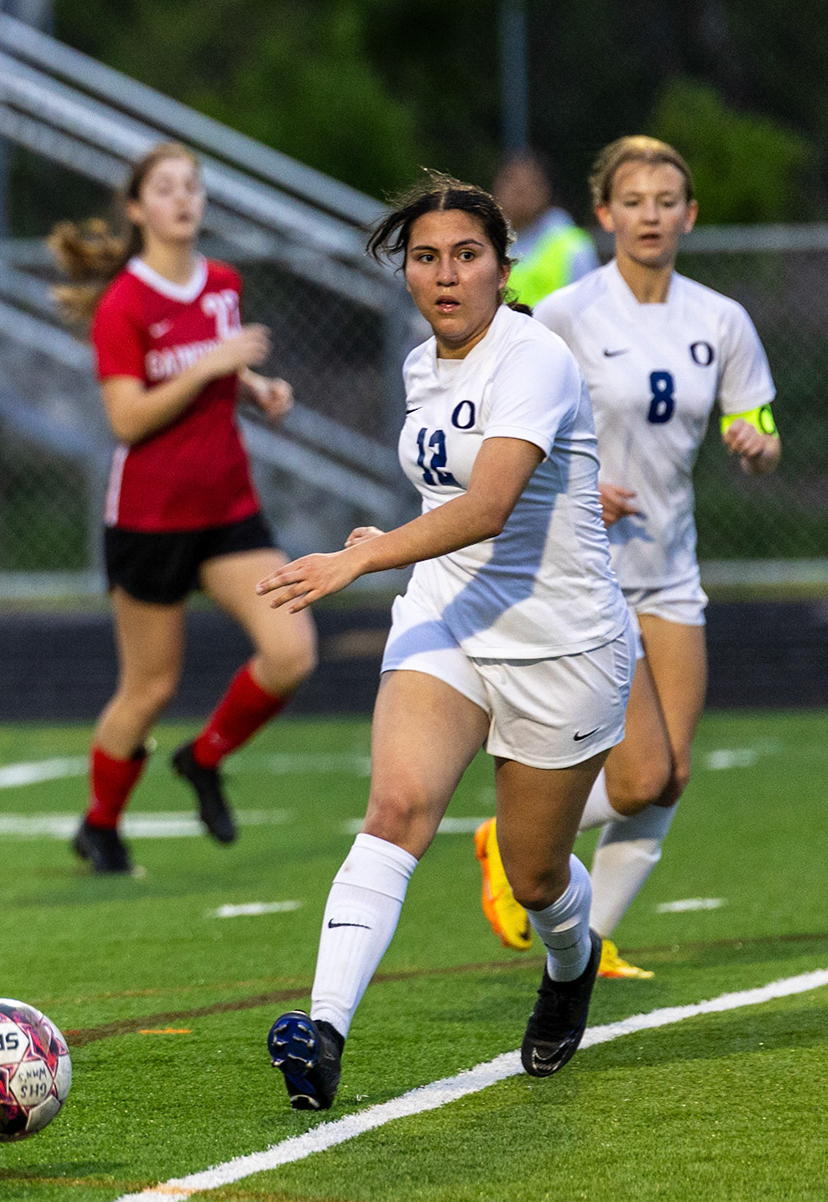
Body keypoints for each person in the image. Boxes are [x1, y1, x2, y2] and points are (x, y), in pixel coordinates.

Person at [257, 172, 636, 1110]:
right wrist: (388, 545)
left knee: (534, 873)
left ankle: (570, 964)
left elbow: (492, 503)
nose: (445, 273)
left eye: (467, 254)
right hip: (448, 619)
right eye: (425, 258)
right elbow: (446, 499)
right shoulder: (421, 366)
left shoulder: (535, 358)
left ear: (503, 268)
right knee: (396, 809)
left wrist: (364, 555)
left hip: (563, 646)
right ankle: (323, 1033)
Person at [473, 136, 780, 980]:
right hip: (584, 570)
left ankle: (586, 946)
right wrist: (577, 482)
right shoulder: (566, 313)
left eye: (666, 201)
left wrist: (757, 448)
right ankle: (512, 841)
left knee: (669, 775)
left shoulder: (721, 320)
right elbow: (507, 428)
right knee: (641, 776)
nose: (651, 215)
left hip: (670, 570)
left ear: (690, 215)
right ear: (605, 214)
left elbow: (757, 428)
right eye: (634, 201)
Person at [48, 142, 316, 875]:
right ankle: (100, 826)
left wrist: (255, 388)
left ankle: (204, 758)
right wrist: (212, 367)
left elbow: (216, 365)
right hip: (150, 519)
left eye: (191, 186)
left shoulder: (222, 283)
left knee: (292, 651)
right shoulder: (124, 303)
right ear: (137, 209)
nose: (182, 199)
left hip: (228, 506)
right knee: (149, 689)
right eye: (164, 188)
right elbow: (128, 418)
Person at [494, 151, 599, 306]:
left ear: (546, 189)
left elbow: (589, 307)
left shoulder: (573, 246)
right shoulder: (483, 243)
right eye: (511, 181)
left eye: (530, 183)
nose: (520, 191)